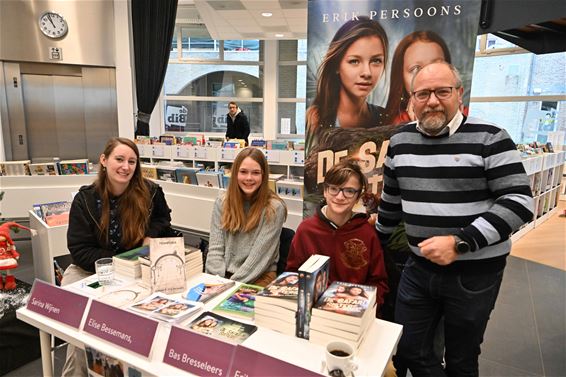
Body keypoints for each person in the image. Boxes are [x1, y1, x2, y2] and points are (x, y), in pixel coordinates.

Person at [376, 61, 534, 377]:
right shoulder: (399, 141)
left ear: (458, 94)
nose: (432, 101)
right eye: (422, 93)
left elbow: (520, 203)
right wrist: (377, 238)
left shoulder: (490, 137)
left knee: (462, 358)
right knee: (408, 349)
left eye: (442, 91)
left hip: (475, 274)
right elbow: (391, 201)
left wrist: (460, 242)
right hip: (419, 267)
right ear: (411, 100)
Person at [61, 137, 173, 377]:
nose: (126, 167)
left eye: (132, 161)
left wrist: (149, 237)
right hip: (89, 270)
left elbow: (163, 220)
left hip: (135, 268)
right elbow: (80, 250)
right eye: (119, 159)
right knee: (79, 327)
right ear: (104, 160)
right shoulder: (85, 199)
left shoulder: (151, 192)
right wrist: (120, 262)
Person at [286, 159, 389, 312]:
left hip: (353, 313)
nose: (340, 197)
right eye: (334, 189)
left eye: (349, 191)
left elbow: (379, 283)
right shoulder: (306, 230)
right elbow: (292, 274)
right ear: (325, 191)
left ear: (357, 196)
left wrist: (364, 307)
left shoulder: (366, 233)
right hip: (313, 311)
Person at [205, 147, 287, 286]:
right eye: (243, 172)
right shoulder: (222, 201)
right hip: (224, 275)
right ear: (235, 173)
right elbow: (215, 248)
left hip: (258, 275)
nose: (249, 178)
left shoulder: (274, 208)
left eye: (255, 173)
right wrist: (216, 280)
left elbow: (258, 259)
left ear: (263, 176)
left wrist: (228, 286)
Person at [306, 17, 388, 152]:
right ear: (337, 65)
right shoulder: (315, 119)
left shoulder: (385, 117)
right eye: (354, 61)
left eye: (376, 61)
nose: (367, 73)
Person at [385, 30, 468, 125]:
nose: (428, 74)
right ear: (401, 77)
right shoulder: (393, 125)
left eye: (437, 64)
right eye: (416, 69)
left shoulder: (470, 117)